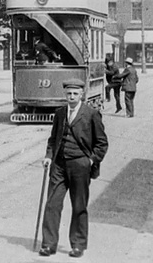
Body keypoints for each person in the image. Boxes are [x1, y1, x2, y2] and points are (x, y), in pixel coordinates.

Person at [39, 78, 109, 258]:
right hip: (59, 165)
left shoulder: (91, 114)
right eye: (69, 94)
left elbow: (102, 143)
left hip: (80, 166)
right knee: (52, 204)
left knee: (79, 205)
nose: (71, 97)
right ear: (65, 94)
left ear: (82, 95)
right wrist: (48, 156)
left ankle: (78, 244)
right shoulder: (60, 113)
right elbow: (53, 139)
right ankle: (48, 244)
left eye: (75, 94)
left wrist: (91, 160)